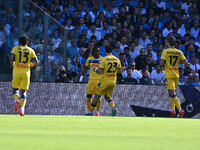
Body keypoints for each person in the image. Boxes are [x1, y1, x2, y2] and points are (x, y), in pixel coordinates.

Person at [160, 36, 190, 118]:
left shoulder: (165, 51)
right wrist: (187, 65)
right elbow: (186, 63)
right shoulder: (179, 52)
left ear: (168, 42)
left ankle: (180, 110)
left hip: (169, 75)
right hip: (176, 75)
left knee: (172, 93)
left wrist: (161, 65)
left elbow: (161, 63)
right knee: (171, 93)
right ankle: (173, 110)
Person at [9, 35, 38, 116]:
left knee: (15, 88)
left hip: (17, 70)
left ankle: (16, 100)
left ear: (19, 42)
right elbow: (36, 61)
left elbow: (11, 58)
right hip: (26, 71)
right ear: (27, 42)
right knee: (24, 91)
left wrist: (13, 63)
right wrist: (32, 64)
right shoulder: (30, 50)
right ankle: (22, 109)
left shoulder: (15, 49)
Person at [88, 45, 122, 116]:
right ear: (111, 51)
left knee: (97, 96)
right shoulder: (117, 59)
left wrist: (95, 70)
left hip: (104, 81)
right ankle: (113, 107)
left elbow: (100, 72)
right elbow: (119, 72)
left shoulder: (104, 59)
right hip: (113, 82)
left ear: (105, 51)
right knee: (107, 96)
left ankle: (90, 112)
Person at [79, 47, 103, 116]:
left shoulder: (102, 60)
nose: (97, 53)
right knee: (89, 96)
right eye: (96, 51)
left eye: (98, 51)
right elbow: (85, 69)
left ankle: (97, 112)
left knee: (97, 96)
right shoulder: (89, 59)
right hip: (91, 80)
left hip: (99, 81)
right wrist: (81, 78)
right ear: (93, 53)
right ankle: (90, 111)